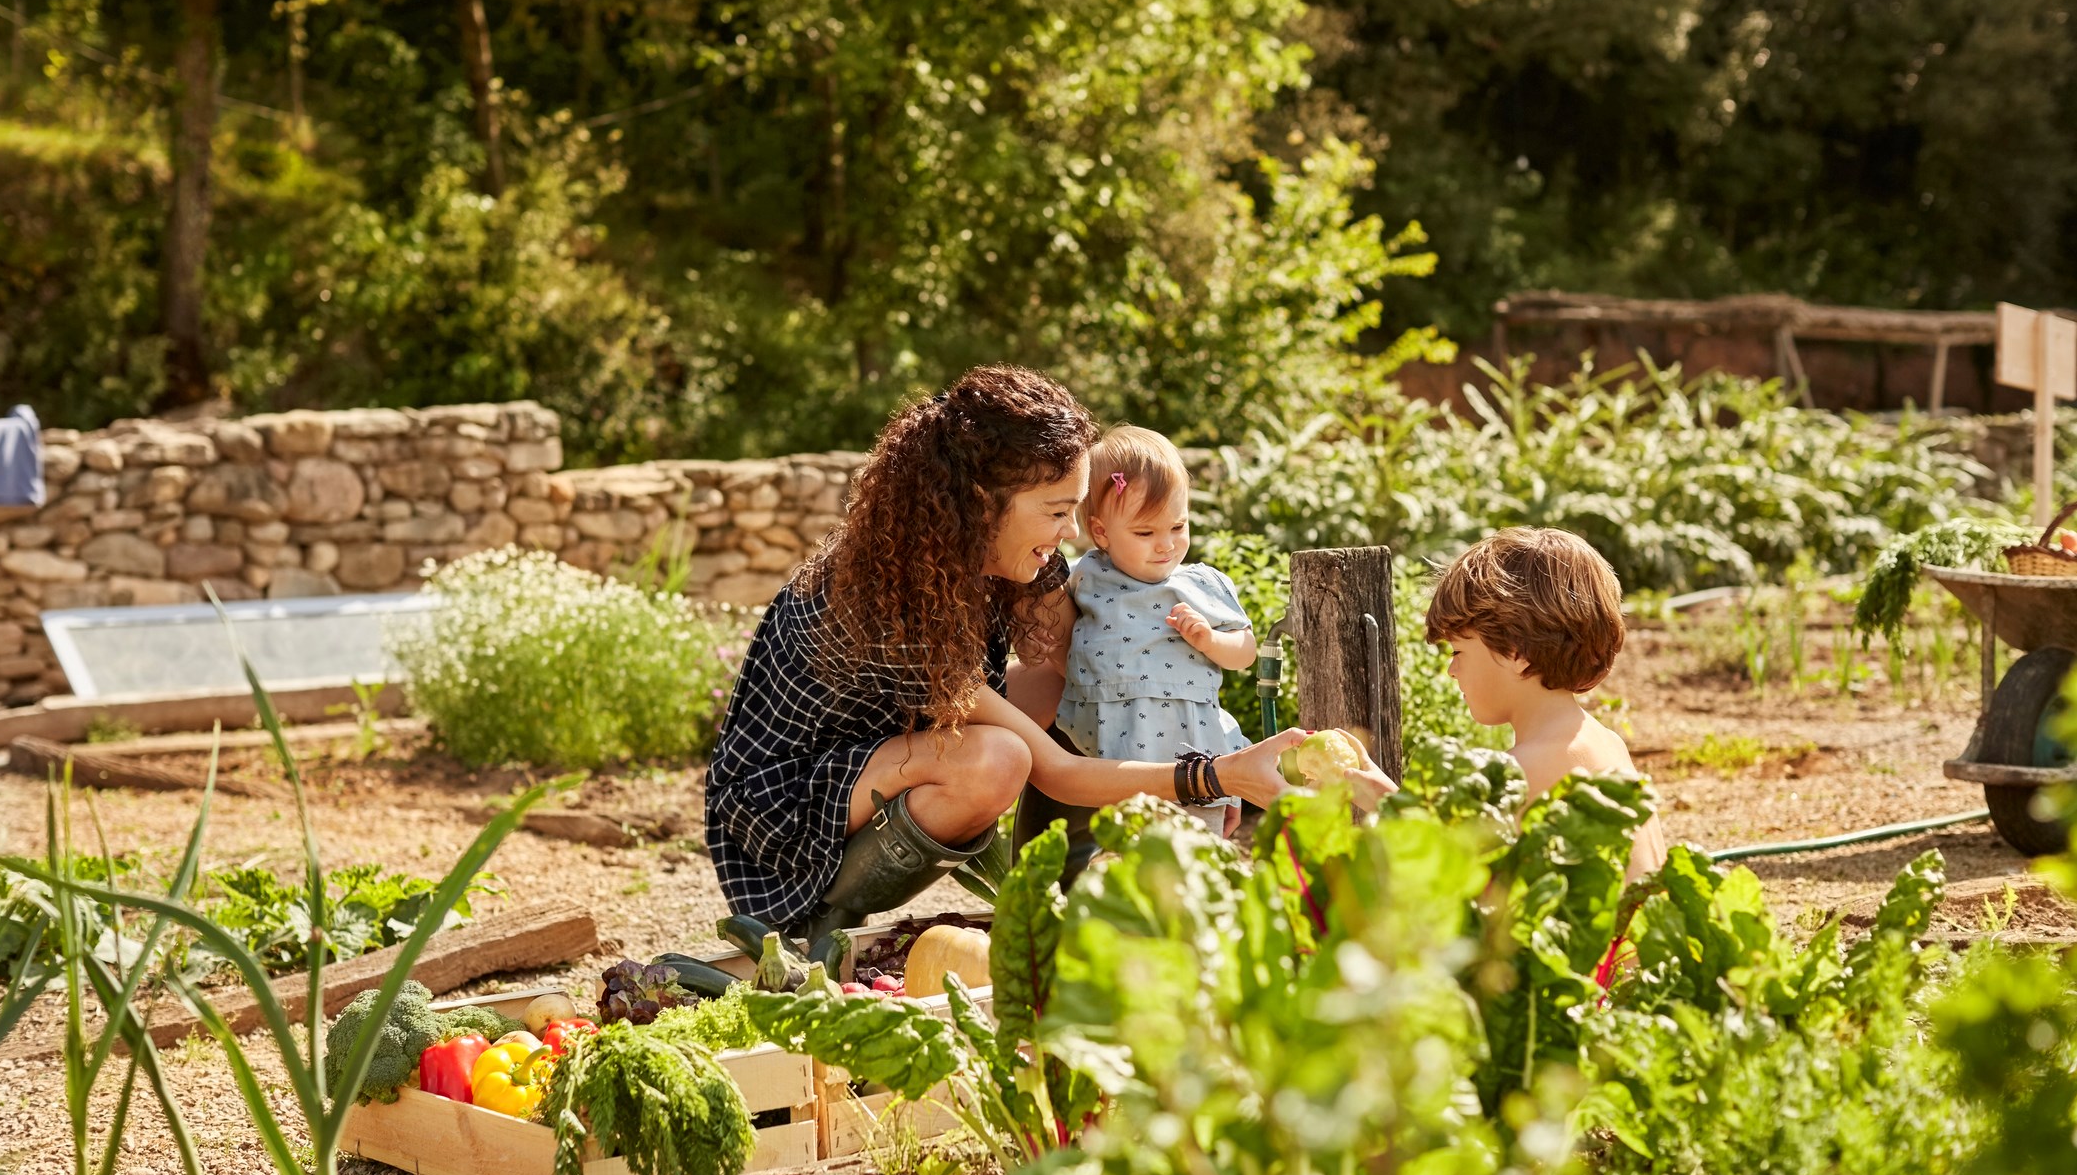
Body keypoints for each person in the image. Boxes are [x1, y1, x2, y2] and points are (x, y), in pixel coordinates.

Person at [704, 366, 1373, 944]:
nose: (1071, 533)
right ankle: (823, 922)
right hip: (778, 812)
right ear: (977, 505)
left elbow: (1073, 661)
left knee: (1066, 677)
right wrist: (1216, 774)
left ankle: (1065, 873)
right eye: (1057, 512)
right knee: (999, 759)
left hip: (879, 746)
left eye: (1078, 512)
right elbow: (1050, 768)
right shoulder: (891, 599)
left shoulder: (991, 555)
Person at [1423, 526, 1668, 879]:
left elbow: (1431, 858)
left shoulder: (1518, 773)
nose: (1452, 669)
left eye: (1459, 650)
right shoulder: (1604, 741)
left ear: (1515, 652)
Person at [1054, 426, 1257, 835]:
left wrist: (1210, 640)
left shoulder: (1200, 584)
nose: (1165, 544)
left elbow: (1246, 650)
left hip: (1190, 735)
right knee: (1120, 844)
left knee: (1198, 843)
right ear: (1101, 532)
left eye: (1177, 527)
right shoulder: (1086, 575)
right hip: (1113, 744)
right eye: (1145, 533)